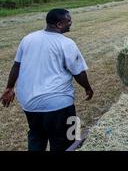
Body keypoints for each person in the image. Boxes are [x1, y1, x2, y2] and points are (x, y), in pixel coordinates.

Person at [0, 8, 94, 151]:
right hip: (59, 104)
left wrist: (9, 87)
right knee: (67, 142)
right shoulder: (66, 43)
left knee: (36, 137)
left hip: (29, 103)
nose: (71, 22)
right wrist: (87, 87)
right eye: (68, 20)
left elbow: (16, 65)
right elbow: (78, 72)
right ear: (58, 24)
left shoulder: (28, 38)